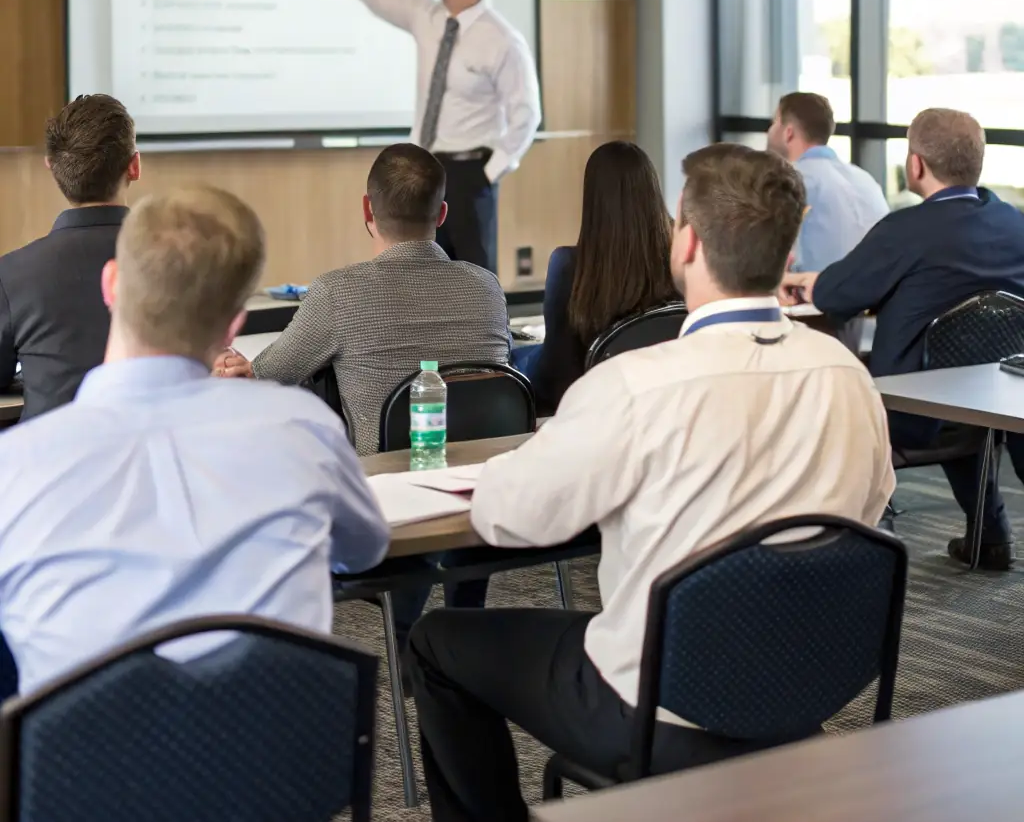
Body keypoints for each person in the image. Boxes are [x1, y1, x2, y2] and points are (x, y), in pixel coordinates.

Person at [409, 144, 894, 821]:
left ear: (686, 242)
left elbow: (513, 518)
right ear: (789, 252)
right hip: (804, 688)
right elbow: (869, 518)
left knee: (438, 640)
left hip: (658, 708)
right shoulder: (848, 376)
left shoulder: (635, 385)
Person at [0, 185, 389, 696]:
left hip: (89, 766)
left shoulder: (17, 463)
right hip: (285, 763)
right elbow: (365, 551)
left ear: (112, 285)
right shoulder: (304, 429)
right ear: (235, 322)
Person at [782, 108, 1024, 570]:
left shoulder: (906, 230)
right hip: (994, 403)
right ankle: (990, 532)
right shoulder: (1014, 225)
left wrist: (809, 281)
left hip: (912, 413)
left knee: (836, 393)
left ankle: (863, 544)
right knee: (957, 375)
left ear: (915, 166)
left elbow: (839, 295)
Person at [279, 0, 541, 274]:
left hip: (469, 175)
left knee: (473, 281)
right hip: (421, 168)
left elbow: (527, 114)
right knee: (415, 275)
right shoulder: (425, 15)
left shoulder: (501, 40)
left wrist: (487, 174)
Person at [214, 144, 511, 456]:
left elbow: (265, 376)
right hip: (486, 471)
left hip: (388, 485)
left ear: (367, 209)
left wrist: (233, 364)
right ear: (442, 214)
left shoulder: (337, 292)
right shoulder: (488, 287)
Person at [0, 94, 141, 419]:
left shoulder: (12, 273)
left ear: (52, 169)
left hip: (50, 463)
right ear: (134, 166)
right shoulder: (180, 262)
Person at [515, 140, 676, 413]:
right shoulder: (679, 259)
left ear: (593, 198)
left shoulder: (569, 265)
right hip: (665, 402)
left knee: (516, 358)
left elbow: (558, 373)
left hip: (594, 407)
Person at [766, 92, 889, 271]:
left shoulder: (788, 182)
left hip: (811, 294)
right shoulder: (866, 180)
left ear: (788, 133)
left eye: (773, 123)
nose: (769, 131)